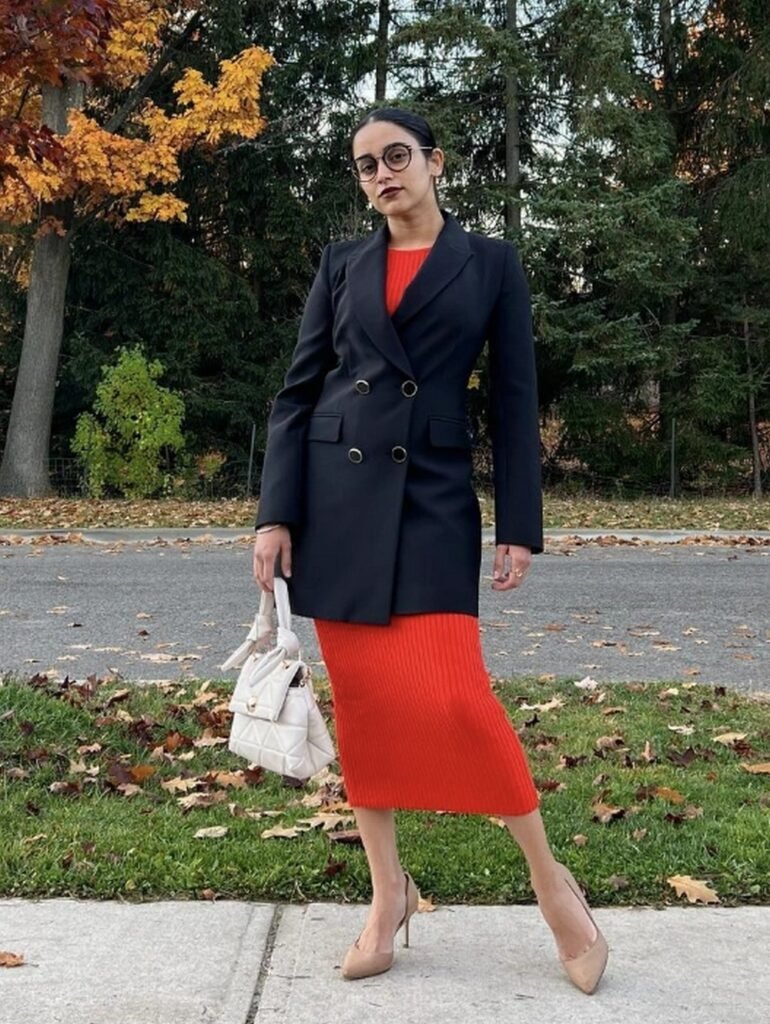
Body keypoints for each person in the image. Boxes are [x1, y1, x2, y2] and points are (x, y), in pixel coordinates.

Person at [252, 106, 608, 994]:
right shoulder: (341, 265)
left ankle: (550, 882)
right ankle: (388, 895)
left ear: (434, 162)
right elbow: (298, 396)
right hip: (336, 504)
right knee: (367, 708)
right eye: (366, 164)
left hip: (436, 500)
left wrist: (519, 522)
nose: (382, 174)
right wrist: (274, 513)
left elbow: (516, 401)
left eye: (397, 156)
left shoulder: (489, 264)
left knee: (457, 699)